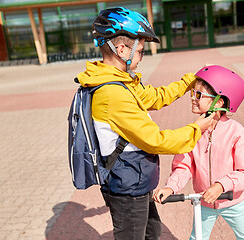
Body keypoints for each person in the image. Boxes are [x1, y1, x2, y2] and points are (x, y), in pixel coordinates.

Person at [75, 7, 215, 240]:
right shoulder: (112, 93)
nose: (141, 56)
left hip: (135, 180)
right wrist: (197, 129)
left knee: (152, 232)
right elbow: (155, 140)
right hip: (127, 186)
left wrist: (188, 82)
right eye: (140, 51)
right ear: (121, 49)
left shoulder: (120, 81)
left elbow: (154, 97)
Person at [153, 65, 244, 240]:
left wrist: (221, 185)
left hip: (233, 201)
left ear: (219, 102)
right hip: (203, 202)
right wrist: (171, 187)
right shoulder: (193, 132)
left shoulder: (236, 132)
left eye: (199, 95)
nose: (193, 98)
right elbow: (184, 166)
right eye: (192, 93)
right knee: (197, 238)